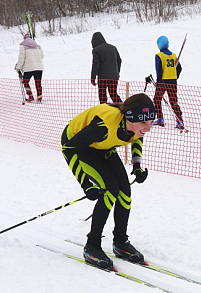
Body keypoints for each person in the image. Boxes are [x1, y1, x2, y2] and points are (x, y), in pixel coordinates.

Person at [61, 93, 155, 270]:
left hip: (102, 146)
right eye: (144, 123)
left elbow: (137, 137)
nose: (148, 128)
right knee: (110, 190)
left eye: (151, 122)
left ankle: (120, 242)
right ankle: (92, 246)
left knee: (125, 191)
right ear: (130, 118)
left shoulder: (133, 125)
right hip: (79, 146)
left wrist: (136, 165)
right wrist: (86, 185)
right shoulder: (104, 125)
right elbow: (68, 148)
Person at [153, 35, 184, 129]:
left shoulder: (159, 55)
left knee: (157, 100)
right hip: (172, 82)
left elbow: (158, 70)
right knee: (173, 101)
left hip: (162, 81)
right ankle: (180, 121)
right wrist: (175, 76)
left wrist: (159, 81)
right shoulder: (174, 55)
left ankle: (160, 119)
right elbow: (179, 68)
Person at [90, 32, 122, 104]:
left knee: (102, 96)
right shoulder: (113, 47)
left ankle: (104, 111)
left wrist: (93, 77)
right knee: (113, 94)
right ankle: (123, 108)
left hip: (102, 78)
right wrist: (117, 72)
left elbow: (95, 64)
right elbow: (119, 61)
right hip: (114, 77)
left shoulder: (96, 50)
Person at [15, 33, 44, 102]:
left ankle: (30, 96)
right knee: (38, 83)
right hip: (39, 68)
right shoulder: (38, 46)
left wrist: (18, 68)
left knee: (25, 82)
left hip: (28, 68)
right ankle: (39, 98)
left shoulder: (23, 46)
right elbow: (42, 56)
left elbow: (21, 59)